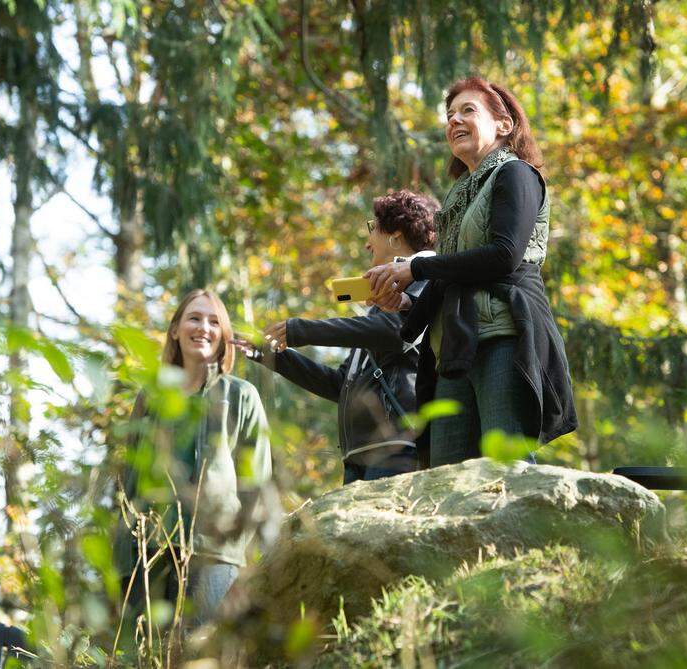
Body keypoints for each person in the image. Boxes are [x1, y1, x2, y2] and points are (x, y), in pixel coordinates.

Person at [366, 76, 577, 467]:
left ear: (503, 124)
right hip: (454, 349)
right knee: (447, 475)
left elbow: (504, 256)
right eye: (449, 115)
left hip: (502, 338)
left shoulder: (517, 174)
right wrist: (405, 308)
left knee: (507, 469)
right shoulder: (458, 195)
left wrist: (418, 266)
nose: (454, 121)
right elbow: (449, 277)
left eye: (468, 110)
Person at [240, 190, 439, 482]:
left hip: (397, 449)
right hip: (360, 456)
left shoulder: (425, 280)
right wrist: (268, 353)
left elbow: (396, 332)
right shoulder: (379, 305)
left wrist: (302, 330)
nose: (366, 242)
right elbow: (339, 384)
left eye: (373, 228)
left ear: (396, 235)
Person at [114, 289, 275, 630]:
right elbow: (131, 478)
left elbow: (257, 483)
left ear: (223, 337)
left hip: (214, 557)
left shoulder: (241, 396)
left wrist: (251, 557)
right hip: (151, 555)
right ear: (175, 330)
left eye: (214, 321)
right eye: (194, 318)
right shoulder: (151, 397)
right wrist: (125, 558)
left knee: (203, 657)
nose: (204, 327)